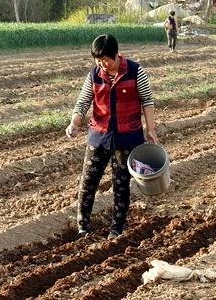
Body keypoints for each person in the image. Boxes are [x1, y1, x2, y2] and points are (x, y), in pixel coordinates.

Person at [65, 34, 159, 239]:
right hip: (99, 136)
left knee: (121, 184)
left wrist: (150, 129)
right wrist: (74, 123)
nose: (102, 64)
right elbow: (83, 102)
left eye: (105, 60)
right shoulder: (94, 74)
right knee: (88, 182)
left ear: (116, 55)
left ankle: (116, 229)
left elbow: (147, 101)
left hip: (128, 138)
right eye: (98, 60)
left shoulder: (135, 72)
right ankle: (83, 227)